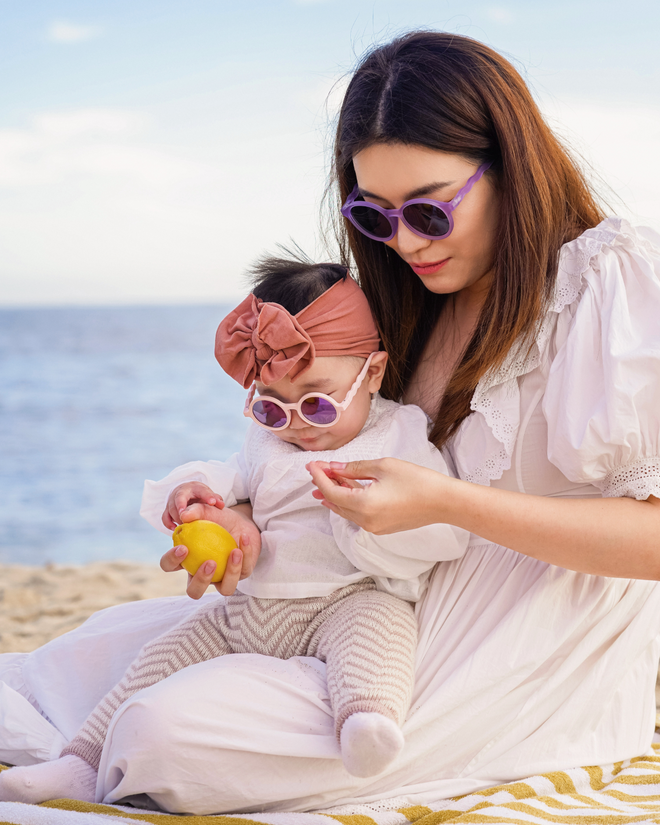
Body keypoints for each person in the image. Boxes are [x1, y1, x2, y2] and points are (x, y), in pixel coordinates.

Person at [0, 29, 659, 816]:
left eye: (429, 209)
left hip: (520, 657)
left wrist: (449, 503)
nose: (405, 241)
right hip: (354, 603)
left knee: (162, 731)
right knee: (63, 668)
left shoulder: (605, 281)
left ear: (511, 169)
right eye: (374, 215)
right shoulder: (412, 299)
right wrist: (243, 513)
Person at [0, 259, 468, 803]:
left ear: (374, 372)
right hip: (246, 610)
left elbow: (441, 525)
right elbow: (237, 477)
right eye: (272, 407)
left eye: (317, 402)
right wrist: (202, 495)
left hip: (345, 597)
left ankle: (365, 721)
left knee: (381, 632)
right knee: (155, 658)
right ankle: (79, 764)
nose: (294, 421)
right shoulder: (270, 440)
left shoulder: (397, 435)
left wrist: (370, 520)